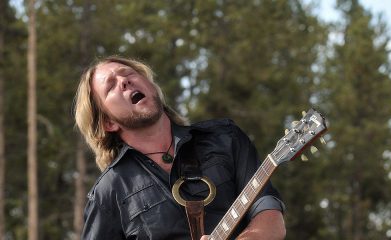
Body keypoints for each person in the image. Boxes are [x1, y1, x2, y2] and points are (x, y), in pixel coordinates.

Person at [74, 56, 286, 240]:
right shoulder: (109, 192)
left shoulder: (225, 138)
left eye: (128, 73)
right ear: (108, 123)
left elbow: (269, 211)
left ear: (150, 85)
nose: (124, 81)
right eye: (110, 86)